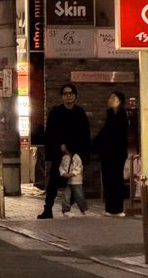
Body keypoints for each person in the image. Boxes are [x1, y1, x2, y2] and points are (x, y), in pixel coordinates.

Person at [38, 83, 92, 220]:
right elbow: (50, 133)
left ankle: (66, 206)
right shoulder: (56, 112)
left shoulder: (80, 113)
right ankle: (48, 209)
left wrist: (82, 153)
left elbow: (85, 134)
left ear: (75, 96)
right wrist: (58, 147)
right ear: (62, 96)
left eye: (71, 94)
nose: (68, 96)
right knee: (54, 183)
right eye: (65, 94)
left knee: (76, 182)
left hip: (76, 155)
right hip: (59, 154)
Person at [94, 91, 129, 217]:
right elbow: (104, 133)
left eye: (113, 98)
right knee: (108, 180)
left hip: (117, 153)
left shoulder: (122, 116)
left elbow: (115, 134)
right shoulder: (109, 115)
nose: (110, 99)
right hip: (107, 153)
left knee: (117, 179)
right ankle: (110, 208)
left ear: (119, 101)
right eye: (110, 97)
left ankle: (118, 208)